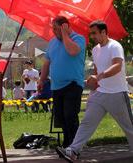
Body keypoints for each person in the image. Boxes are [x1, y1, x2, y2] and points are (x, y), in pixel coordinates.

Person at [56, 20, 133, 161]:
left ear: (104, 32)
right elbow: (97, 71)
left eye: (94, 33)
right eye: (91, 33)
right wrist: (93, 85)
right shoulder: (95, 50)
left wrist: (99, 76)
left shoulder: (115, 46)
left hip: (117, 94)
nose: (92, 36)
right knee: (87, 123)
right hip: (99, 94)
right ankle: (73, 151)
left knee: (129, 127)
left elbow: (117, 66)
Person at [38, 16, 85, 148]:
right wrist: (42, 80)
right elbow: (47, 63)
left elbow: (72, 51)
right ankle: (67, 143)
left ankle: (75, 146)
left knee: (70, 115)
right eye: (53, 29)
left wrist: (64, 34)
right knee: (60, 117)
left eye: (56, 28)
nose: (54, 31)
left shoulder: (78, 39)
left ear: (65, 26)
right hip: (56, 86)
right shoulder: (52, 42)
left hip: (73, 84)